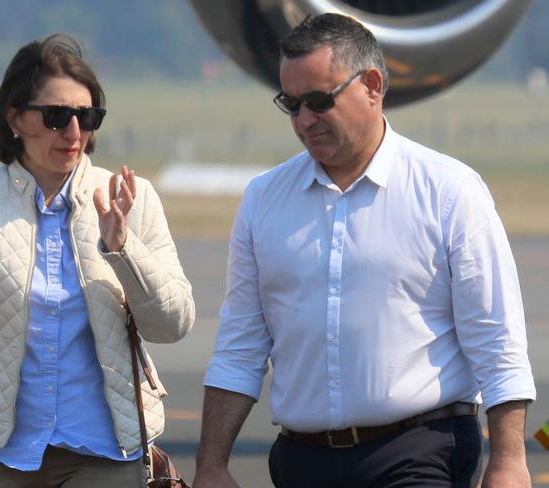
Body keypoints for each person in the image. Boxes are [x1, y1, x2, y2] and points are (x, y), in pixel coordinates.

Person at [193, 13, 535, 488]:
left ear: (372, 86)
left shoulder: (450, 192)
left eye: (318, 101)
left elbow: (496, 339)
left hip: (417, 451)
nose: (304, 121)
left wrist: (509, 460)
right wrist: (211, 464)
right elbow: (240, 347)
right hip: (301, 460)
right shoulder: (263, 199)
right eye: (290, 105)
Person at [0, 33, 194, 488]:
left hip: (103, 452)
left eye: (87, 116)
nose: (74, 133)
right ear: (14, 117)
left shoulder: (127, 199)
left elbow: (173, 325)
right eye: (57, 116)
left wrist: (123, 250)